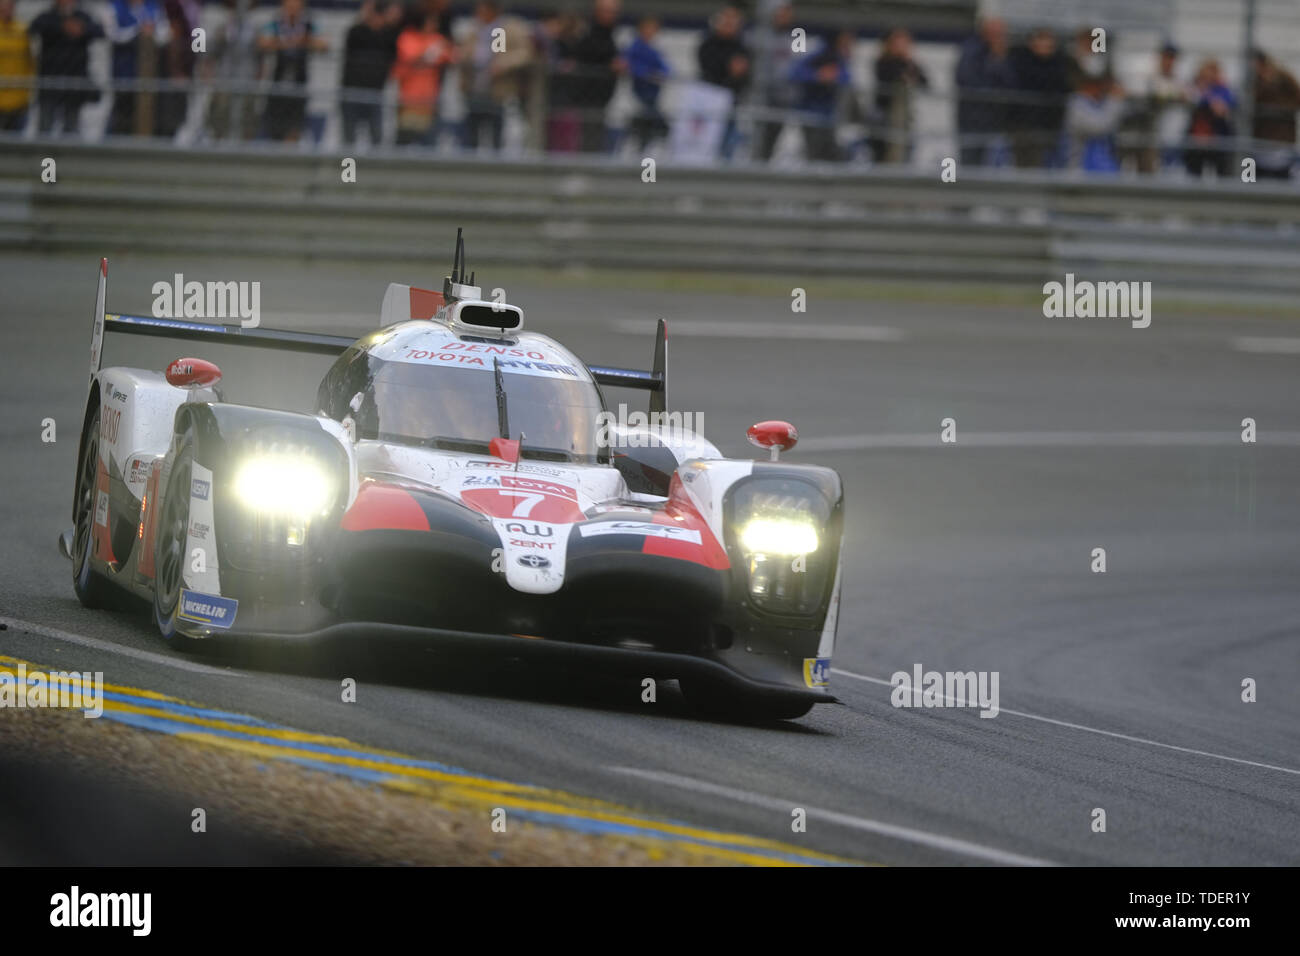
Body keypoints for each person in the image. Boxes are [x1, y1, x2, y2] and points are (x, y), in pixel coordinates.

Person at [457, 0, 533, 152]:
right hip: (475, 90)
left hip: (498, 92)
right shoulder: (474, 30)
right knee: (471, 134)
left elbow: (523, 54)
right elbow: (464, 52)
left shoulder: (506, 29)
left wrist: (502, 64)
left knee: (497, 134)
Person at [28, 0, 102, 135]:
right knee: (45, 126)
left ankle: (68, 156)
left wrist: (82, 29)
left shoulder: (82, 16)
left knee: (71, 127)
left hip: (74, 82)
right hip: (50, 81)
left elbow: (99, 31)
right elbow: (34, 28)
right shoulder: (48, 16)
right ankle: (45, 155)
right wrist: (62, 27)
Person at [257, 0, 326, 143]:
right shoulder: (276, 24)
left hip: (299, 82)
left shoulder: (309, 25)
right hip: (278, 82)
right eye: (289, 6)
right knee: (274, 126)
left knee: (295, 127)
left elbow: (323, 44)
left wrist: (303, 42)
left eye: (296, 5)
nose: (293, 9)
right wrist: (285, 43)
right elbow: (262, 42)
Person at [340, 0, 400, 148]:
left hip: (375, 92)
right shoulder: (356, 31)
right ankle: (349, 169)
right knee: (349, 137)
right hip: (351, 91)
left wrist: (387, 22)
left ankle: (374, 168)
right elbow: (353, 41)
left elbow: (395, 51)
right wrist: (365, 18)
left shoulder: (388, 35)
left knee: (376, 136)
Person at [954, 17, 1013, 166]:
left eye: (1002, 33)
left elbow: (1011, 82)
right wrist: (995, 61)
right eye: (996, 32)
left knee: (992, 165)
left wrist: (999, 60)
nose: (999, 37)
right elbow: (966, 79)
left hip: (996, 120)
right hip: (972, 118)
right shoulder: (971, 50)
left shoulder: (1005, 53)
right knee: (970, 161)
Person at [1008, 27, 1070, 168]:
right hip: (1024, 126)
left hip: (1051, 126)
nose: (1045, 45)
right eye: (1041, 39)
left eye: (1048, 40)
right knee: (1024, 165)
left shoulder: (1060, 63)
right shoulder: (1020, 61)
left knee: (1048, 165)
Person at [106, 0, 169, 136]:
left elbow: (165, 34)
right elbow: (112, 34)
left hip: (149, 73)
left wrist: (151, 32)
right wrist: (137, 30)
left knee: (146, 111)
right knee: (122, 110)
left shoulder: (153, 7)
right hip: (124, 70)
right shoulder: (115, 6)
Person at [393, 4, 453, 146]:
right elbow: (410, 58)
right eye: (431, 21)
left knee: (429, 144)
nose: (435, 25)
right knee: (404, 141)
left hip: (429, 101)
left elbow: (450, 56)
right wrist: (428, 55)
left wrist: (429, 55)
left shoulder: (438, 39)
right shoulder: (407, 37)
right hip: (408, 100)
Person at [697, 4, 750, 159]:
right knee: (704, 148)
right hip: (708, 106)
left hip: (732, 104)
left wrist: (739, 74)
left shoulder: (742, 47)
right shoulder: (708, 44)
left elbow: (747, 77)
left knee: (728, 147)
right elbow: (708, 70)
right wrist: (729, 68)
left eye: (734, 19)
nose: (730, 22)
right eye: (727, 18)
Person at [791, 30, 852, 162]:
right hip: (810, 112)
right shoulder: (816, 53)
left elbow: (847, 77)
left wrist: (834, 76)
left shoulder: (839, 58)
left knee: (830, 152)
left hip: (830, 114)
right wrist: (817, 76)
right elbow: (794, 73)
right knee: (813, 152)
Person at [570, 0, 622, 153]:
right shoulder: (587, 32)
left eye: (614, 12)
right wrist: (609, 66)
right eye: (607, 11)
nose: (611, 15)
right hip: (587, 98)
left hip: (602, 99)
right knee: (586, 141)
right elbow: (585, 57)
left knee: (596, 140)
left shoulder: (611, 34)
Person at [872, 27, 927, 164]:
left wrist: (908, 62)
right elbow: (889, 77)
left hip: (904, 117)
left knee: (905, 147)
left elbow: (924, 82)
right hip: (885, 114)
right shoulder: (883, 62)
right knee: (886, 149)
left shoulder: (910, 63)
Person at [750, 1, 796, 161]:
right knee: (757, 138)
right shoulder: (757, 35)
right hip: (762, 97)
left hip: (784, 98)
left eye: (787, 12)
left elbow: (800, 62)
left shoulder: (797, 35)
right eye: (781, 12)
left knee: (775, 138)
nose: (785, 16)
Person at [1250, 50, 1300, 179]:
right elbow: (1249, 102)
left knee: (1282, 182)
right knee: (1249, 182)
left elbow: (1296, 94)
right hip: (1256, 147)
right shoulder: (1253, 84)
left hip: (1281, 148)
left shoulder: (1284, 82)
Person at [1183, 57, 1234, 178]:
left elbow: (1222, 109)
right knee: (1194, 174)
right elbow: (1191, 99)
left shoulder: (1222, 89)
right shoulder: (1193, 87)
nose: (1208, 75)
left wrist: (1207, 97)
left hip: (1217, 139)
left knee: (1222, 174)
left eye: (1212, 71)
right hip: (1197, 138)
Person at [624, 15, 668, 153]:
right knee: (647, 125)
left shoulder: (653, 50)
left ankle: (645, 155)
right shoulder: (635, 48)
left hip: (652, 96)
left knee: (651, 127)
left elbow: (666, 69)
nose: (651, 32)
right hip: (639, 95)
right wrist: (648, 74)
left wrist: (659, 74)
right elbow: (632, 66)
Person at [1065, 72, 1124, 171]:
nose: (1102, 89)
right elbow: (1099, 127)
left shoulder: (1099, 103)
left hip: (1102, 168)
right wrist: (1115, 100)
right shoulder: (1077, 104)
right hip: (1079, 169)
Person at [0, 0, 34, 131]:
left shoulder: (23, 30)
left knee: (16, 145)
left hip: (19, 99)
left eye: (8, 6)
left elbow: (31, 61)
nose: (5, 9)